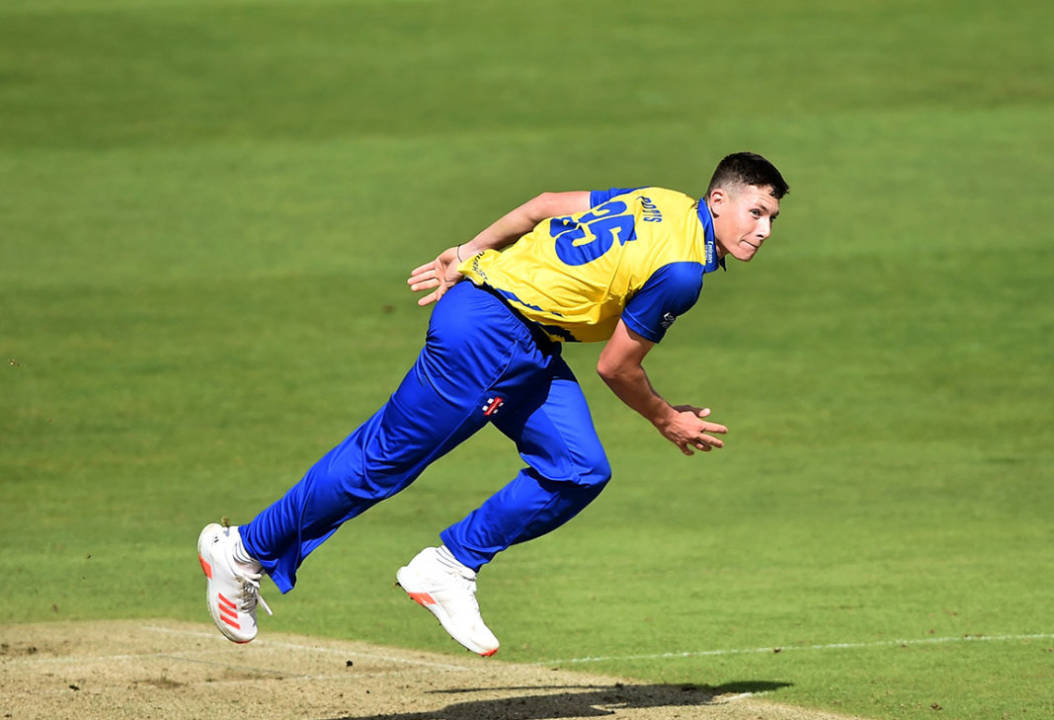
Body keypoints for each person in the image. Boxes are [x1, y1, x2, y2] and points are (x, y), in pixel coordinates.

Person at [198, 152, 789, 656]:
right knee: (383, 462)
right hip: (491, 336)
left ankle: (448, 566)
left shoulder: (660, 200)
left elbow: (543, 203)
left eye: (772, 219)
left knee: (579, 468)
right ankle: (243, 552)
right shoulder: (683, 272)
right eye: (755, 212)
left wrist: (468, 249)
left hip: (524, 342)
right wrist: (668, 418)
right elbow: (616, 366)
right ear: (718, 200)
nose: (763, 230)